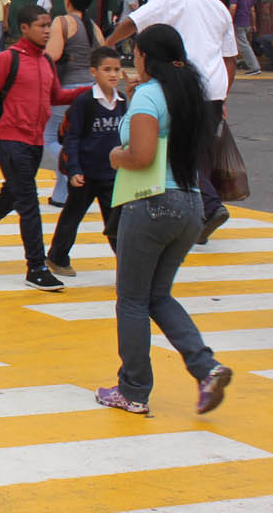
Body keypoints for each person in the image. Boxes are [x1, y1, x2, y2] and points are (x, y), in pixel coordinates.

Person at [95, 23, 232, 416]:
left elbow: (141, 156)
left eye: (135, 53)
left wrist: (115, 156)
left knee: (132, 301)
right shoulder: (188, 95)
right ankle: (206, 368)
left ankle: (133, 390)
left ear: (144, 57)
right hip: (190, 206)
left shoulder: (149, 97)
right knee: (158, 295)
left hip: (151, 203)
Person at [105, 0, 237, 243]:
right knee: (200, 151)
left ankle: (211, 206)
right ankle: (200, 214)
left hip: (179, 84)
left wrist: (107, 42)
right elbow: (229, 60)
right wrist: (223, 95)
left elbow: (133, 22)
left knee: (178, 147)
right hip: (213, 90)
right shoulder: (219, 8)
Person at [0, 4, 89, 291]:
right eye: (41, 25)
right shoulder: (8, 59)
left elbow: (55, 96)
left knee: (12, 195)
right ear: (24, 28)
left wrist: (88, 92)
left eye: (49, 26)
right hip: (12, 141)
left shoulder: (46, 62)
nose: (47, 31)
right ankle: (36, 267)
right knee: (29, 203)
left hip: (35, 142)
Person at [45, 46, 126, 276]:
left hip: (111, 175)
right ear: (93, 72)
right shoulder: (84, 101)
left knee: (116, 224)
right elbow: (73, 138)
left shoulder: (122, 101)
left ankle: (128, 266)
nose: (113, 74)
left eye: (117, 70)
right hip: (85, 174)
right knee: (72, 216)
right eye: (106, 69)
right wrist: (74, 170)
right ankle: (57, 257)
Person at [42, 0, 108, 205]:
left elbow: (52, 55)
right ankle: (61, 196)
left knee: (50, 138)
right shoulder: (94, 27)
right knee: (74, 139)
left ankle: (73, 165)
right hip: (92, 91)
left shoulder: (62, 22)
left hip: (67, 90)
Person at [228, 0, 261, 75]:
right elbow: (252, 10)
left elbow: (233, 7)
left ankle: (254, 67)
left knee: (244, 45)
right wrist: (254, 24)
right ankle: (236, 61)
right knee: (240, 43)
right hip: (247, 23)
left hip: (239, 22)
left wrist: (229, 20)